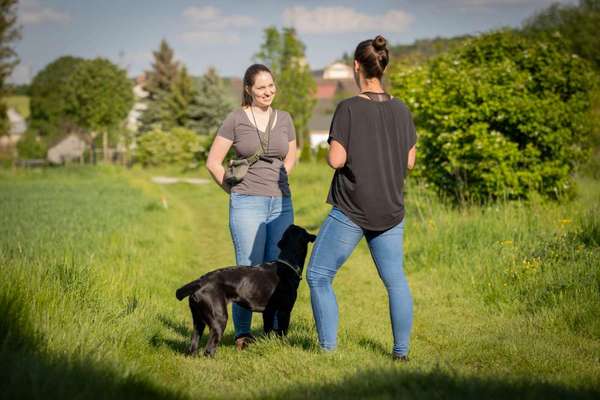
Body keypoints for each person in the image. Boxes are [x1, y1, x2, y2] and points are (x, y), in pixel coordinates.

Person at [306, 35, 417, 361]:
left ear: (357, 66)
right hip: (391, 208)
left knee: (318, 275)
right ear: (382, 66)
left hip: (353, 208)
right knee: (395, 282)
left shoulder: (349, 108)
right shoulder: (402, 108)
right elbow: (409, 161)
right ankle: (401, 353)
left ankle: (328, 351)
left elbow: (336, 160)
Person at [206, 64, 297, 347]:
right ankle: (243, 334)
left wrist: (279, 181)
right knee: (247, 270)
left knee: (277, 271)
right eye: (261, 87)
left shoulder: (285, 119)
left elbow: (291, 155)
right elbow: (213, 162)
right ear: (248, 89)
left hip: (281, 204)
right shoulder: (235, 119)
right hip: (247, 203)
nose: (268, 91)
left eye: (271, 85)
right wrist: (233, 193)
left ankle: (272, 333)